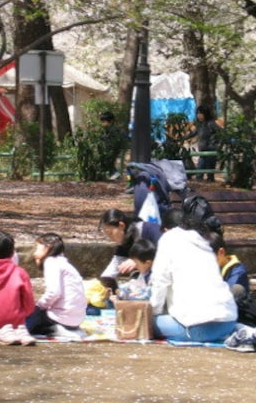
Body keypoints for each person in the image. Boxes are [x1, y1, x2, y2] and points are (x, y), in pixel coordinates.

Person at [148, 214, 239, 343]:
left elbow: (160, 281)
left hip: (197, 328)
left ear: (166, 229)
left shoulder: (168, 239)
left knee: (147, 322)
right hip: (228, 322)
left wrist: (153, 312)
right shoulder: (204, 244)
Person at [25, 233, 87, 339]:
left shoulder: (51, 262)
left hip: (62, 318)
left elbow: (53, 292)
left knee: (28, 318)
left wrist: (39, 306)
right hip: (76, 319)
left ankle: (55, 329)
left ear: (47, 247)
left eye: (37, 248)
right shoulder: (64, 263)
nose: (35, 254)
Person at [98, 208, 162, 279]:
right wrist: (102, 281)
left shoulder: (151, 230)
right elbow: (113, 267)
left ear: (121, 225)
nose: (110, 238)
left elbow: (165, 253)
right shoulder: (125, 241)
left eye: (110, 233)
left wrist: (138, 260)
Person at [182, 105, 221, 182]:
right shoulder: (200, 125)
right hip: (202, 151)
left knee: (210, 171)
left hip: (210, 150)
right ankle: (200, 181)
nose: (199, 115)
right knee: (200, 170)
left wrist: (214, 143)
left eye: (201, 113)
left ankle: (210, 183)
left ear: (206, 114)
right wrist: (182, 138)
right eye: (198, 113)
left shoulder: (211, 123)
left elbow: (220, 133)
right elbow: (193, 133)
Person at [98, 111, 126, 180]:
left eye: (105, 121)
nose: (103, 124)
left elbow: (116, 143)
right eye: (102, 122)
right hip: (111, 152)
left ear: (111, 121)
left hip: (115, 152)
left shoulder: (115, 131)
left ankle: (115, 173)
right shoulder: (105, 131)